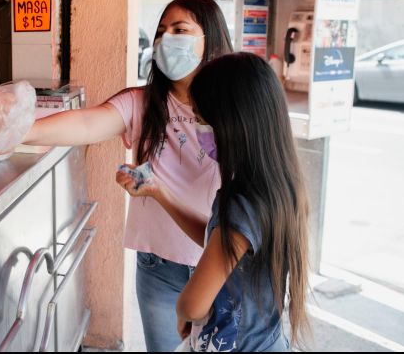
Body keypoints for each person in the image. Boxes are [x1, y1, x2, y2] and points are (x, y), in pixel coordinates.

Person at [23, 0, 233, 351]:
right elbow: (88, 123)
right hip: (159, 268)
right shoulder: (142, 102)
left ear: (210, 38)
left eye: (180, 30)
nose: (166, 40)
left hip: (223, 265)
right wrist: (16, 129)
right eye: (161, 31)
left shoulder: (235, 104)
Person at [116, 52, 311, 352]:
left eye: (202, 120)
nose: (197, 130)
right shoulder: (276, 188)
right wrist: (158, 191)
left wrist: (184, 311)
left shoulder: (241, 203)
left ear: (234, 124)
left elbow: (194, 305)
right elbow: (216, 238)